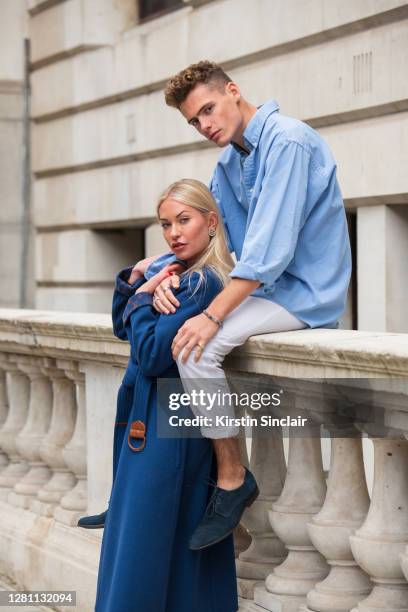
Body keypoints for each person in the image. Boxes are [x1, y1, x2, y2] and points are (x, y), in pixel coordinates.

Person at [94, 179, 239, 612]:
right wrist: (139, 281)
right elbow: (124, 328)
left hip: (169, 430)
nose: (174, 232)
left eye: (184, 220)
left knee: (145, 551)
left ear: (210, 222)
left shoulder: (204, 283)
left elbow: (155, 354)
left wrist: (141, 301)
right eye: (165, 224)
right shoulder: (176, 272)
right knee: (163, 545)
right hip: (156, 425)